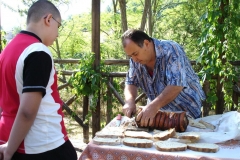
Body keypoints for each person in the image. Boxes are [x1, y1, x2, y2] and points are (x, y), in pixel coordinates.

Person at [0, 1, 77, 160]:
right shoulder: (38, 51)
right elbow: (28, 111)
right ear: (48, 19)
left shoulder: (7, 50)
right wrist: (8, 150)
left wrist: (9, 147)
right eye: (59, 26)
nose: (57, 34)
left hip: (10, 136)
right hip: (42, 143)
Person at [122, 29, 206, 127]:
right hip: (158, 115)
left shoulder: (171, 49)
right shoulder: (135, 60)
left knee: (187, 141)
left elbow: (176, 85)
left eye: (135, 54)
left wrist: (153, 106)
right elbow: (131, 82)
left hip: (187, 113)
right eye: (130, 56)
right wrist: (129, 101)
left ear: (146, 43)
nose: (134, 60)